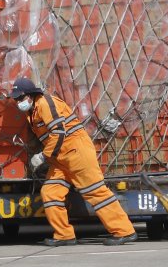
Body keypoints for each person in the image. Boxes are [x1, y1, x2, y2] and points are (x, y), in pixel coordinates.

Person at [8, 78, 137, 246]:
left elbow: (59, 132)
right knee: (50, 193)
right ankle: (64, 235)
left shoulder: (45, 103)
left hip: (76, 152)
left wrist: (42, 157)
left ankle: (124, 231)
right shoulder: (31, 112)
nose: (19, 102)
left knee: (96, 192)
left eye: (20, 98)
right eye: (16, 99)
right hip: (60, 158)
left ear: (31, 95)